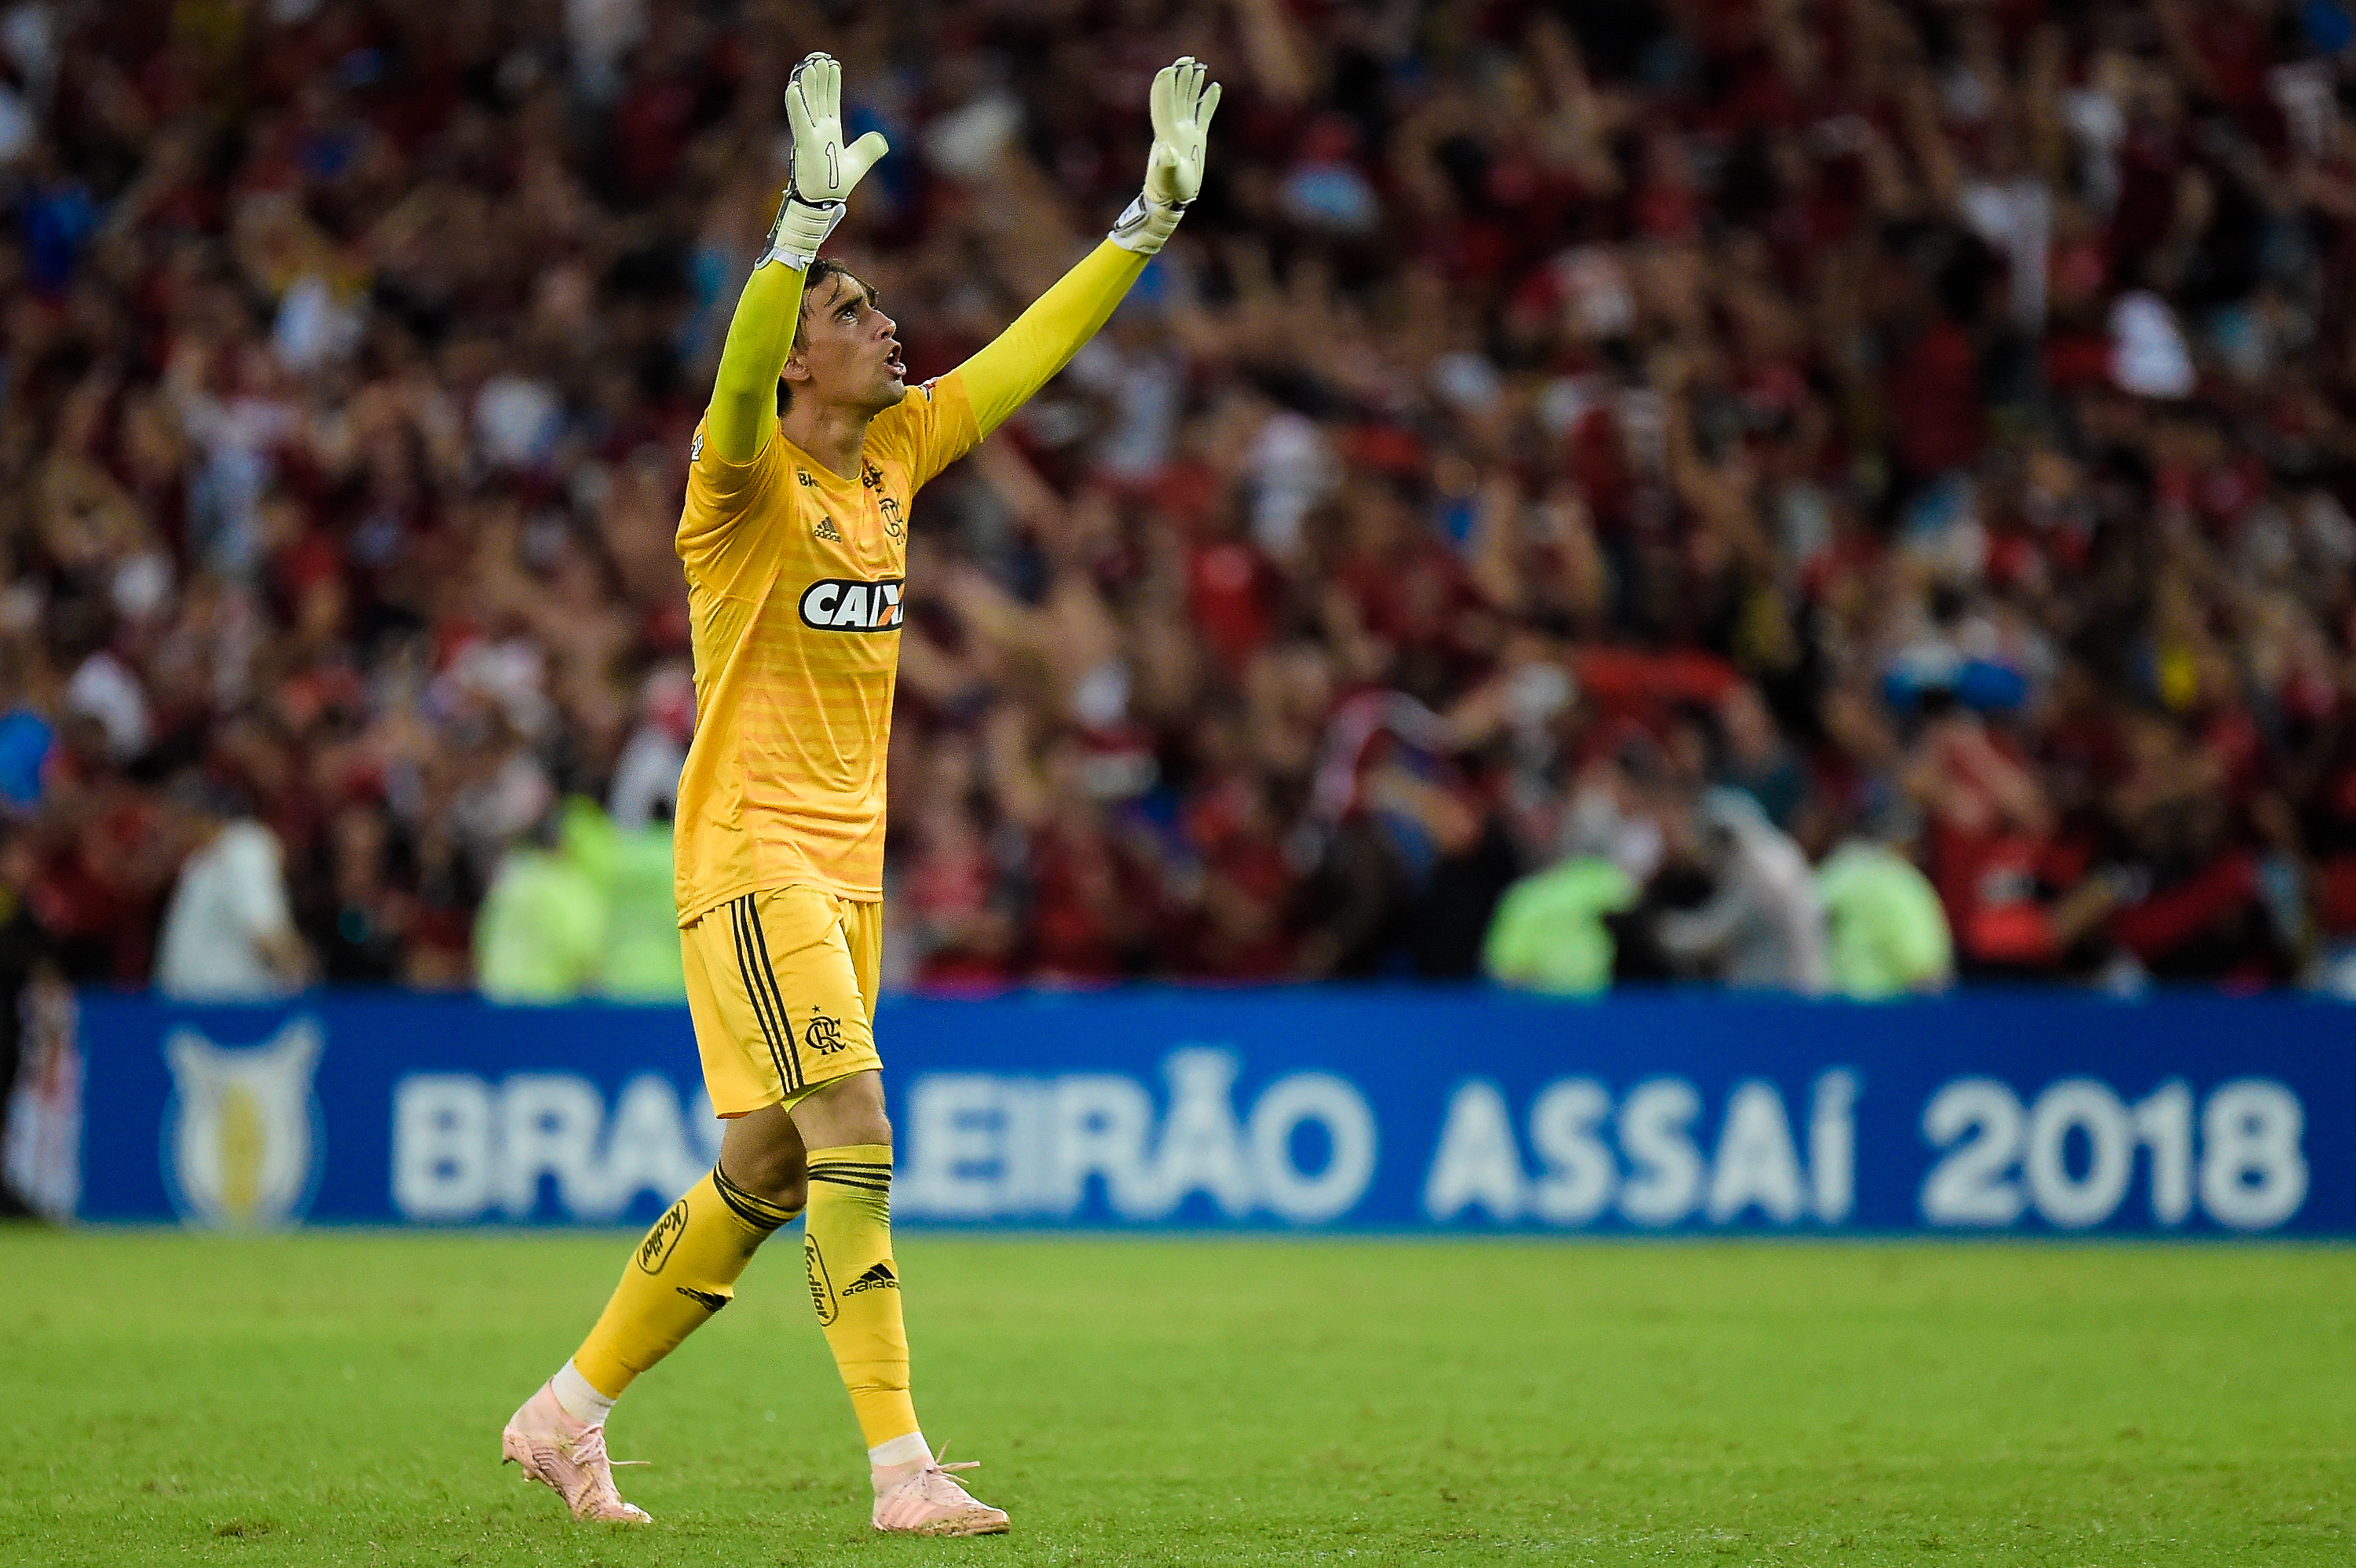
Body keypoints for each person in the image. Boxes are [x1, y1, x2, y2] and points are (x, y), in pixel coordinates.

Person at [501, 52, 1220, 1535]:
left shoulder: (897, 451)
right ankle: (903, 1471)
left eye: (873, 305)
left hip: (851, 870)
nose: (885, 326)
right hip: (753, 855)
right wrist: (792, 238)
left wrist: (1139, 231)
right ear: (792, 364)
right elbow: (730, 378)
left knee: (765, 1166)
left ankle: (563, 1413)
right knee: (855, 1127)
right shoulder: (739, 485)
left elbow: (1025, 357)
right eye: (852, 313)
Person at [152, 778, 312, 1001]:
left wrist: (308, 996)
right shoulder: (200, 863)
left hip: (236, 1012)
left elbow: (267, 930)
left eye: (175, 820)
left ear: (198, 817)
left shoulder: (244, 846)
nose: (168, 833)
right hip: (193, 1014)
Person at [1655, 788, 1827, 992]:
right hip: (1796, 981)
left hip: (1781, 989)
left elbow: (1717, 933)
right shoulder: (1778, 853)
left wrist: (1661, 931)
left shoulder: (1759, 868)